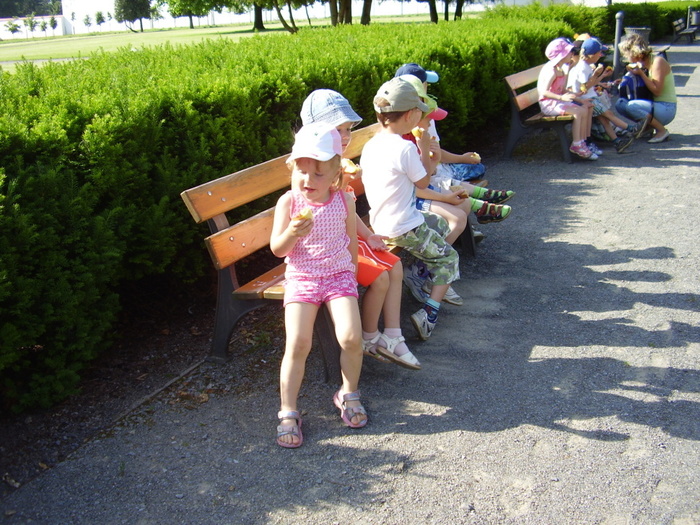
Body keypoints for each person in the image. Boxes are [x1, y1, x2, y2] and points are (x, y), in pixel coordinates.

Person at [300, 89, 420, 370]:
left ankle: (393, 335)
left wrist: (368, 235)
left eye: (347, 129)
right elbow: (319, 217)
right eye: (338, 129)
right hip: (325, 252)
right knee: (379, 277)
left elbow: (348, 211)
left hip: (348, 239)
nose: (345, 136)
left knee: (395, 264)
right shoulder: (312, 169)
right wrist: (340, 184)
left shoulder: (336, 163)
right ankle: (369, 336)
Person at [270, 123, 367, 448]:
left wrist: (352, 277)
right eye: (301, 171)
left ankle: (348, 393)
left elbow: (350, 241)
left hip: (339, 276)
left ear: (336, 174)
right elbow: (278, 249)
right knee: (298, 343)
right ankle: (288, 411)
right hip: (303, 277)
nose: (308, 180)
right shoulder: (289, 203)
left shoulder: (344, 201)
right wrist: (292, 233)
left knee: (351, 338)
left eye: (318, 174)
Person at [361, 77, 461, 341]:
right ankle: (429, 313)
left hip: (381, 221)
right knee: (449, 258)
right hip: (404, 226)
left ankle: (421, 271)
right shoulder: (405, 148)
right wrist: (425, 149)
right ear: (410, 115)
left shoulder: (371, 145)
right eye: (419, 111)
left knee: (440, 223)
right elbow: (424, 182)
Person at [567, 37, 637, 154]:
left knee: (604, 119)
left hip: (587, 98)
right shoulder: (582, 68)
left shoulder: (585, 66)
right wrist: (596, 74)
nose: (601, 55)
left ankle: (617, 141)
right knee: (608, 114)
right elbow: (585, 87)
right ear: (591, 55)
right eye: (599, 53)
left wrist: (602, 75)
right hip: (585, 99)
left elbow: (591, 83)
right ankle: (631, 128)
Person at [537, 37, 597, 160]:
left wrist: (579, 99)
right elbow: (544, 92)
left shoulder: (561, 69)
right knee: (578, 111)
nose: (572, 54)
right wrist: (561, 97)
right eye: (569, 52)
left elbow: (563, 90)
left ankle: (582, 142)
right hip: (549, 105)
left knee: (584, 108)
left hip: (557, 102)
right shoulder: (552, 70)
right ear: (561, 55)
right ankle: (576, 144)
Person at [615, 33, 677, 144]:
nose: (626, 57)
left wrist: (641, 74)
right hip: (654, 105)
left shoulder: (657, 62)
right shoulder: (642, 64)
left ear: (635, 53)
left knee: (632, 106)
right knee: (620, 104)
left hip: (666, 107)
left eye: (626, 54)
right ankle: (648, 127)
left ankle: (661, 131)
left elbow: (657, 91)